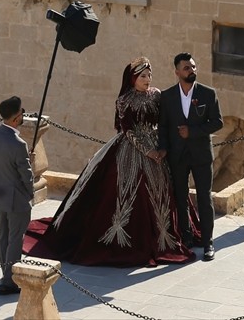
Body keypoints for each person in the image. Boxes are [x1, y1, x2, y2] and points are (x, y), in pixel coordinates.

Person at [23, 57, 195, 267]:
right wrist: (148, 151)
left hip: (158, 147)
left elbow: (164, 121)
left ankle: (167, 235)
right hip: (130, 150)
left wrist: (163, 147)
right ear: (133, 78)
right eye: (143, 76)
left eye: (149, 75)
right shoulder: (124, 100)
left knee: (165, 190)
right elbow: (128, 129)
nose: (148, 79)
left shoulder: (157, 95)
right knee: (126, 189)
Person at [157, 52, 223, 261]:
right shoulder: (167, 97)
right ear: (177, 72)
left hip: (201, 155)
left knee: (205, 198)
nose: (191, 70)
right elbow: (163, 126)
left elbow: (217, 122)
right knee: (180, 198)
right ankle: (185, 239)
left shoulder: (208, 94)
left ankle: (208, 242)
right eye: (187, 68)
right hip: (177, 157)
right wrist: (163, 148)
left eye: (193, 67)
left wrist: (192, 131)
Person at [0, 95, 35, 296]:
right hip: (15, 198)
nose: (23, 114)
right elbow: (26, 175)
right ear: (15, 119)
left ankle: (6, 271)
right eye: (22, 111)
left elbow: (0, 161)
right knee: (16, 238)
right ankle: (9, 281)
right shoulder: (18, 144)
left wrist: (24, 160)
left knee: (3, 235)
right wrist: (30, 194)